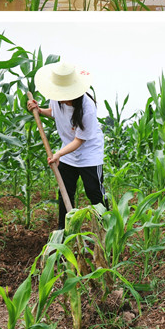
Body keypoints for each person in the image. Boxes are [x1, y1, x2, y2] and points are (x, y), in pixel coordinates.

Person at [26, 60, 108, 230]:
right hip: (68, 153)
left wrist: (58, 154)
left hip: (89, 154)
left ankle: (105, 229)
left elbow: (79, 140)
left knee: (94, 191)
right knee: (65, 191)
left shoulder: (87, 108)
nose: (60, 97)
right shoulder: (57, 98)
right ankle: (64, 231)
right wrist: (39, 110)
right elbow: (54, 112)